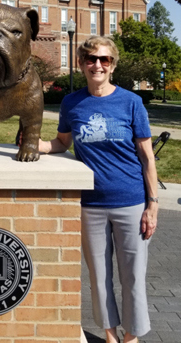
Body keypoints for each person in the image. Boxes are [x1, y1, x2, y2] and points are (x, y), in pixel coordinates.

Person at [39, 36, 158, 343]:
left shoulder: (131, 103)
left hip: (130, 202)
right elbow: (62, 142)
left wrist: (152, 204)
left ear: (112, 66)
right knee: (99, 277)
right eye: (91, 59)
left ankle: (131, 336)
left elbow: (147, 157)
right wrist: (33, 144)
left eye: (104, 60)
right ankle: (109, 334)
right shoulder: (72, 102)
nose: (98, 65)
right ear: (81, 64)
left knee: (133, 276)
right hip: (90, 204)